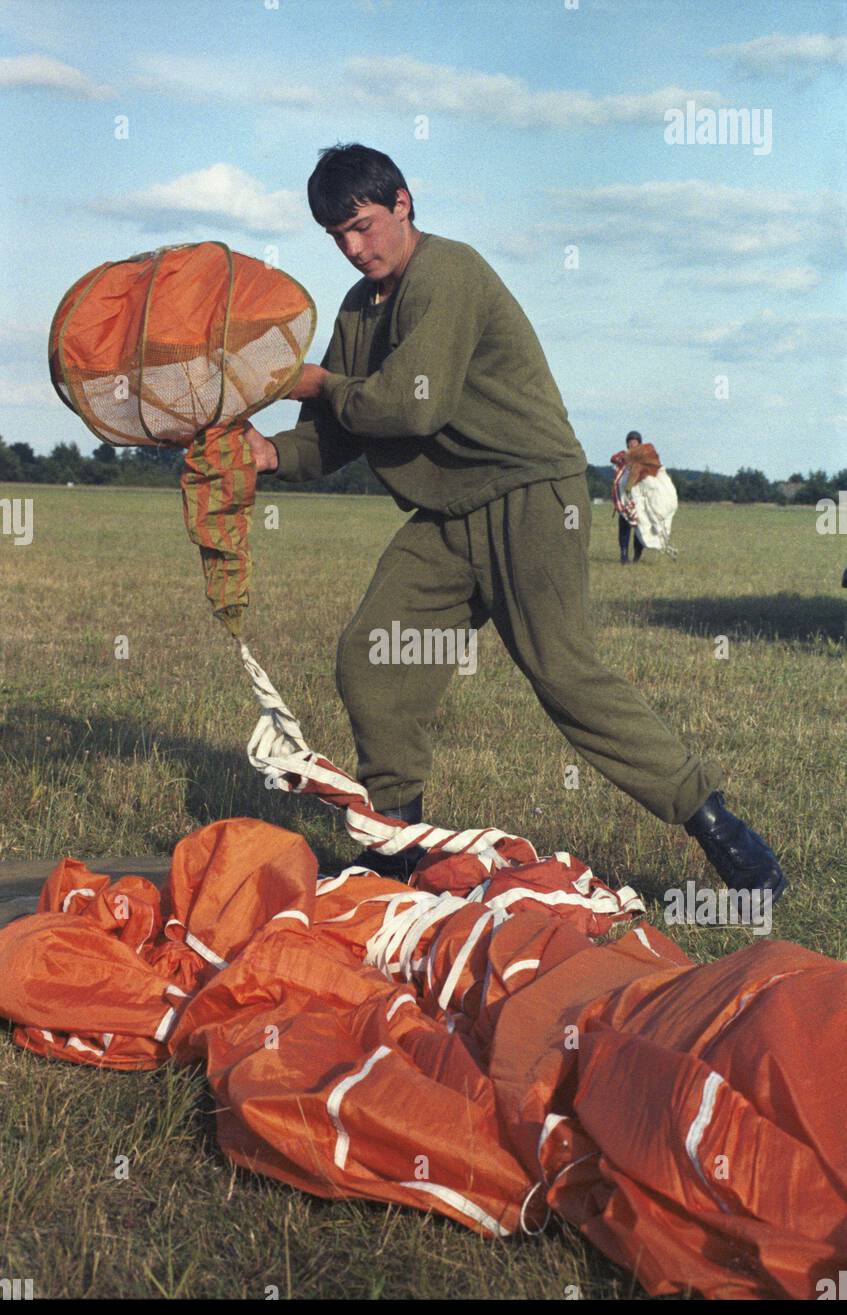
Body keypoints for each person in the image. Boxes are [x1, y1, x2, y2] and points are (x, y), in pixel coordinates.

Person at [245, 143, 786, 901]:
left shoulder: (447, 272)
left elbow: (409, 403)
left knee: (564, 675)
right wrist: (268, 453)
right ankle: (401, 859)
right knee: (374, 659)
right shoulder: (357, 309)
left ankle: (724, 832)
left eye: (363, 226)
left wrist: (317, 379)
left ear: (403, 203)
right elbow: (336, 433)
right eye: (335, 236)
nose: (353, 248)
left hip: (531, 493)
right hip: (447, 512)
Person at [611, 430, 645, 564]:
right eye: (630, 442)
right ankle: (623, 554)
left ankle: (637, 553)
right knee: (624, 528)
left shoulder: (644, 458)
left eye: (635, 442)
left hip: (639, 499)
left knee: (639, 529)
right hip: (625, 498)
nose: (632, 445)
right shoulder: (623, 456)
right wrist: (624, 458)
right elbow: (613, 458)